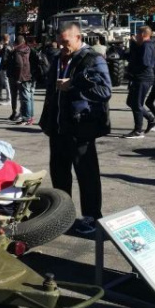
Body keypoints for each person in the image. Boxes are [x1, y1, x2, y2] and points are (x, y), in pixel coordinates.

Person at [39, 21, 111, 234]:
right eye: (60, 42)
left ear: (78, 38)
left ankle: (92, 217)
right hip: (58, 127)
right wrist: (47, 120)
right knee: (59, 174)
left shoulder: (92, 59)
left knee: (87, 175)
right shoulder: (57, 58)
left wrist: (74, 84)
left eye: (66, 42)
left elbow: (105, 91)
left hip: (82, 128)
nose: (62, 46)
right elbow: (51, 93)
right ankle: (63, 215)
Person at [122, 26, 155, 138]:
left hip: (143, 78)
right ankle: (151, 119)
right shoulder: (142, 45)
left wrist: (134, 48)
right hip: (138, 78)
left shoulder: (147, 46)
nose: (136, 36)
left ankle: (138, 130)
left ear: (143, 34)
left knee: (137, 104)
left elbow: (145, 62)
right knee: (131, 102)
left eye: (137, 34)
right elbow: (133, 57)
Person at [6, 35, 36, 124]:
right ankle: (30, 117)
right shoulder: (27, 49)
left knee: (24, 98)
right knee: (29, 97)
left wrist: (18, 78)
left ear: (16, 42)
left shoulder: (17, 51)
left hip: (21, 77)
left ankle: (26, 118)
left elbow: (19, 64)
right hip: (28, 75)